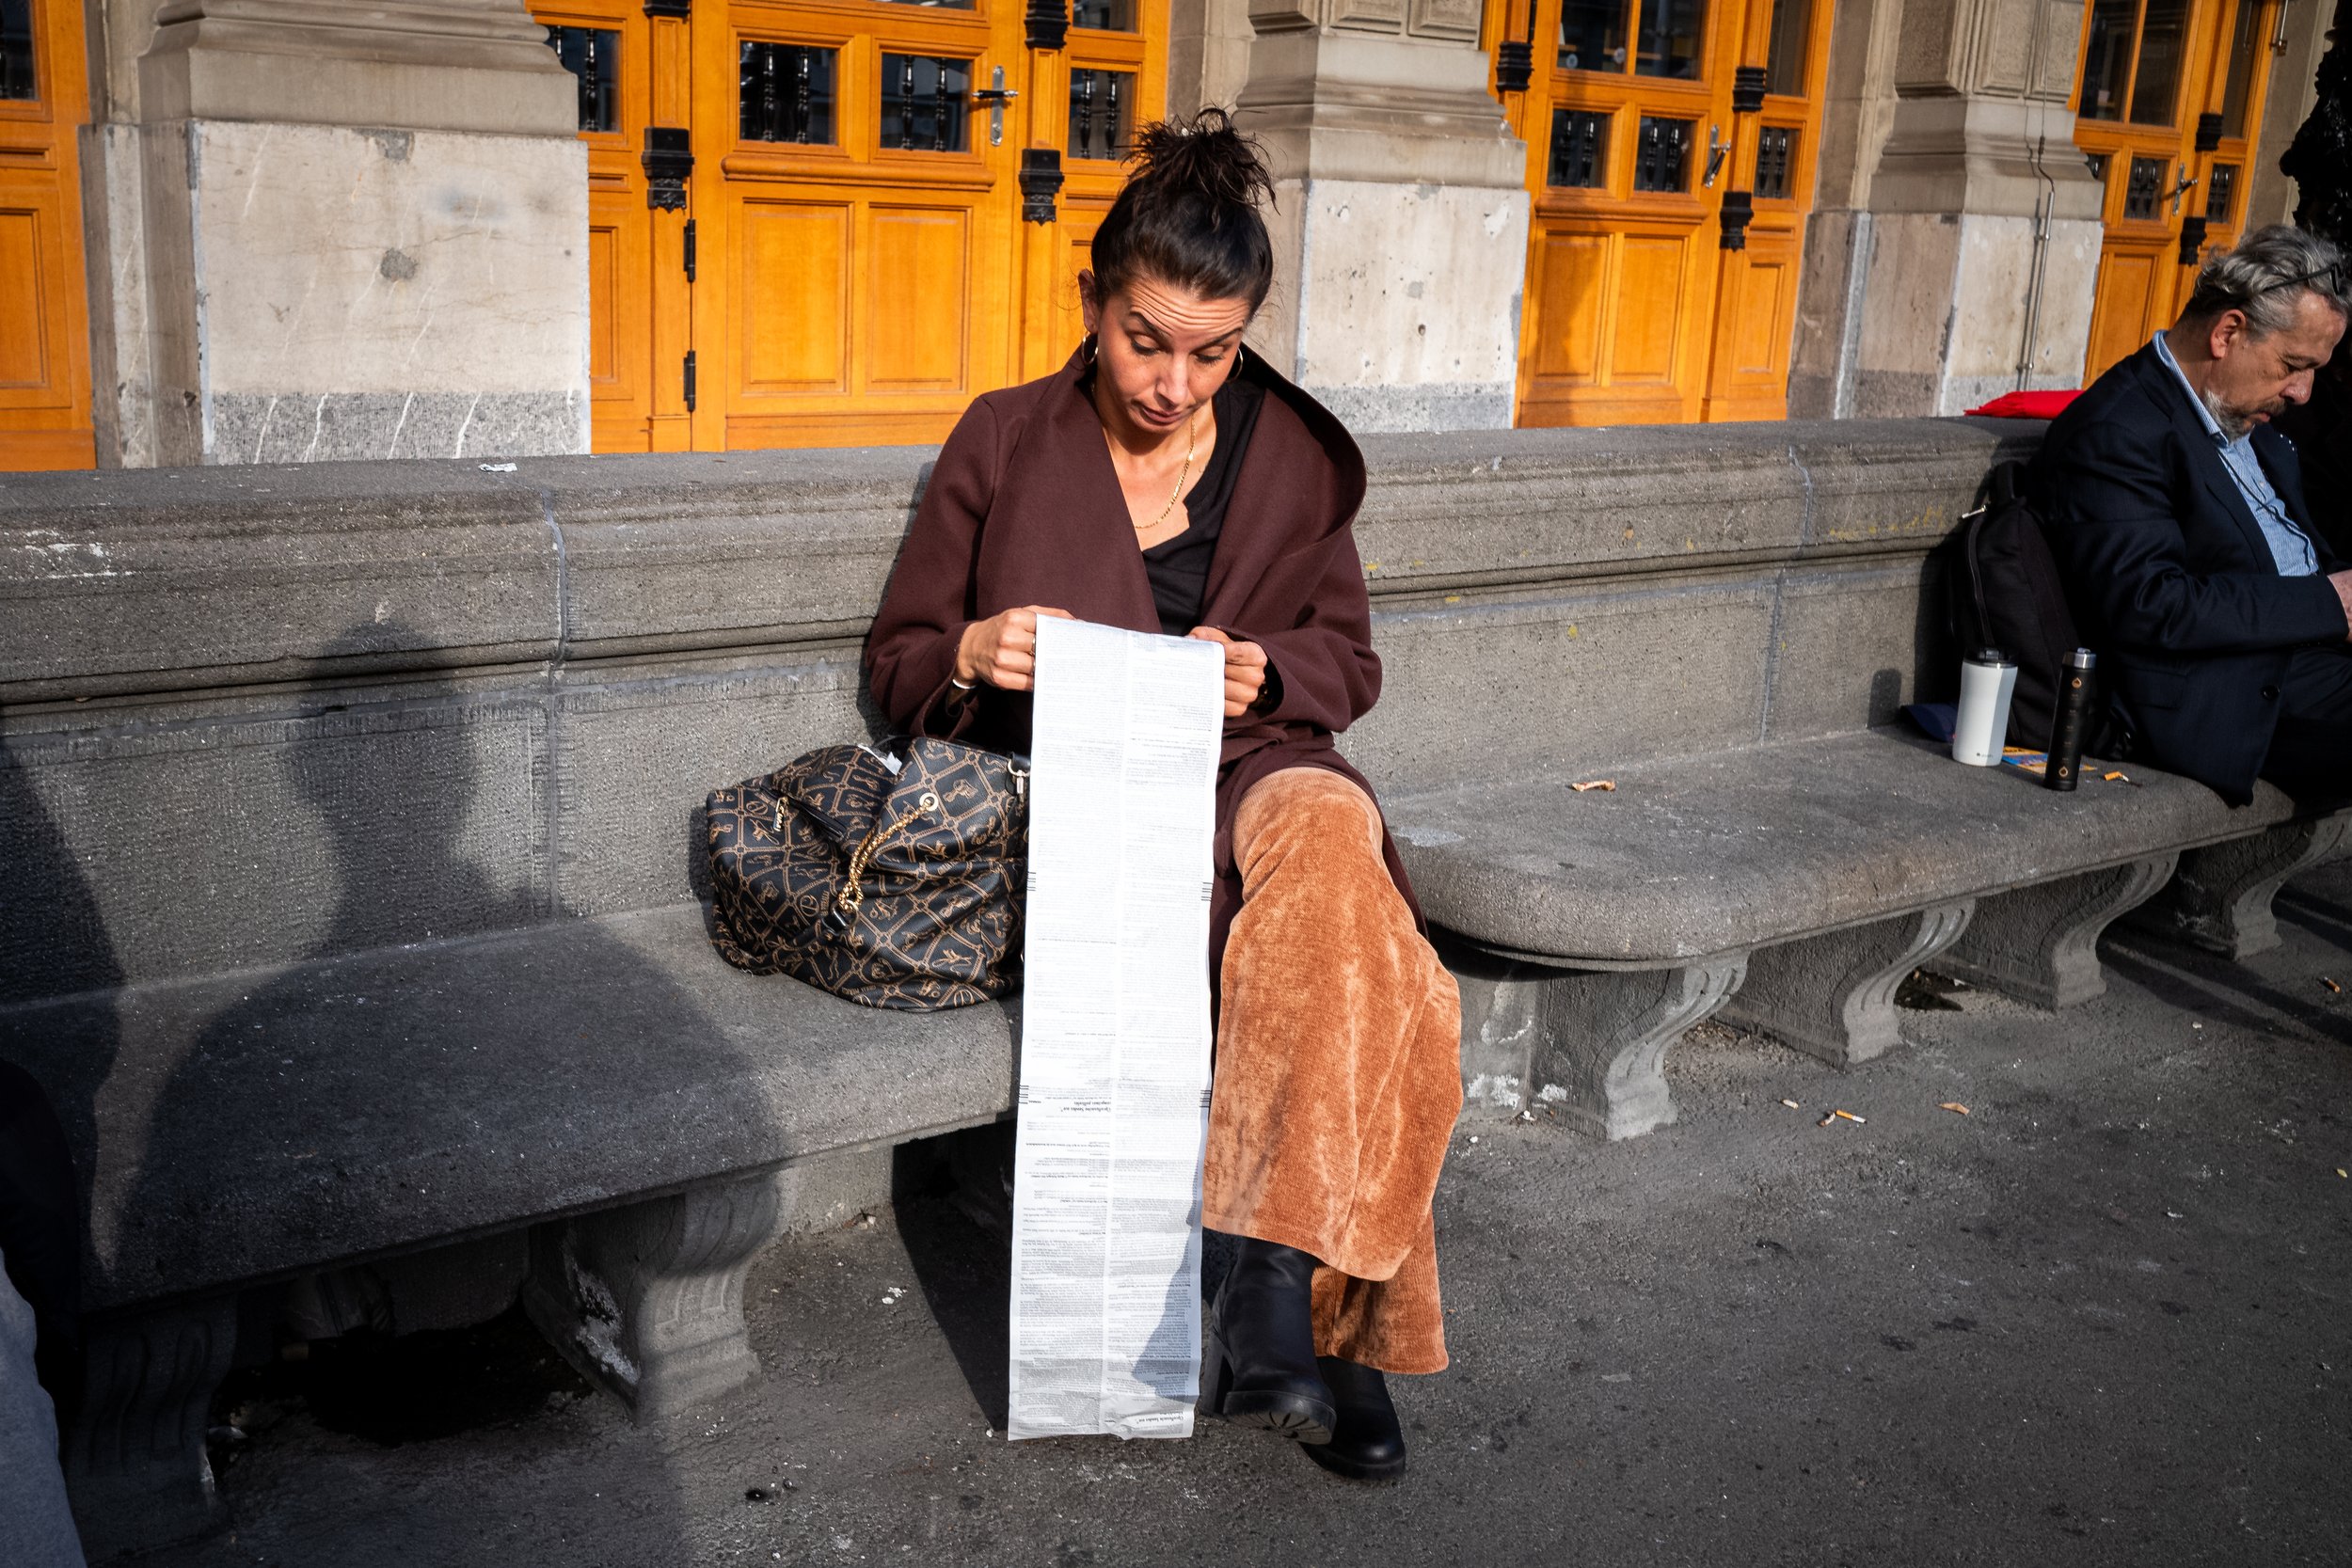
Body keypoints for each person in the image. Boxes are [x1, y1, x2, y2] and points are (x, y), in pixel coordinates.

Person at [865, 108, 1461, 1481]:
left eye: (1213, 351)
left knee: (1334, 840)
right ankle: (1320, 1320)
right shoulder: (1005, 438)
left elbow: (1349, 660)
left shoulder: (1287, 453)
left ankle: (1266, 1281)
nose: (1174, 383)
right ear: (1092, 301)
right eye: (1146, 340)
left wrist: (1269, 667)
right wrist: (970, 650)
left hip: (1252, 763)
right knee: (1375, 956)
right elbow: (901, 661)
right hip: (1087, 797)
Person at [2031, 225, 2352, 806]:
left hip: (2303, 656)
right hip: (2231, 699)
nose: (2303, 392)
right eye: (2293, 365)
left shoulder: (2243, 413)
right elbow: (2151, 605)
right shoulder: (2117, 430)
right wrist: (2329, 603)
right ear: (2228, 332)